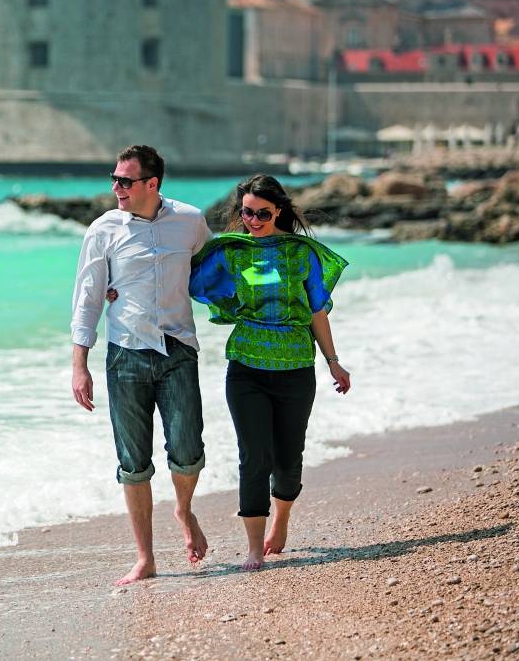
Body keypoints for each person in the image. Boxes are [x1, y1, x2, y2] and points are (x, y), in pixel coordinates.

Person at [188, 174, 351, 571]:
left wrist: (333, 361)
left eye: (262, 213)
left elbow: (316, 310)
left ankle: (281, 518)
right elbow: (185, 281)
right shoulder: (230, 252)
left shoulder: (301, 253)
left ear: (278, 211)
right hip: (245, 368)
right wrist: (119, 288)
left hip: (296, 369)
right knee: (253, 457)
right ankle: (254, 549)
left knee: (288, 460)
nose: (254, 221)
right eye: (247, 213)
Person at [71, 144, 214, 585]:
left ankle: (183, 509)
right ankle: (145, 558)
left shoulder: (190, 221)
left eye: (125, 181)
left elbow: (211, 270)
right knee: (132, 462)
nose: (116, 188)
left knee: (187, 451)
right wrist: (79, 364)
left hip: (178, 350)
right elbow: (87, 297)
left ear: (152, 184)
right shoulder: (103, 230)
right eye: (114, 179)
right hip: (125, 354)